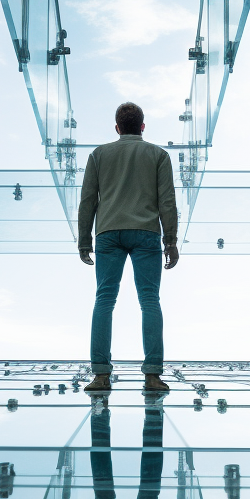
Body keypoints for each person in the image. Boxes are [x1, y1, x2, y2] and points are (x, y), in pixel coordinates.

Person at [78, 101, 178, 394]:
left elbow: (88, 201)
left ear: (117, 128)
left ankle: (100, 375)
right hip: (146, 232)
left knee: (104, 300)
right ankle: (152, 376)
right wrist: (169, 240)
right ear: (142, 127)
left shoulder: (99, 155)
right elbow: (167, 201)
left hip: (108, 232)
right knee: (149, 300)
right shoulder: (159, 155)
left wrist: (85, 239)